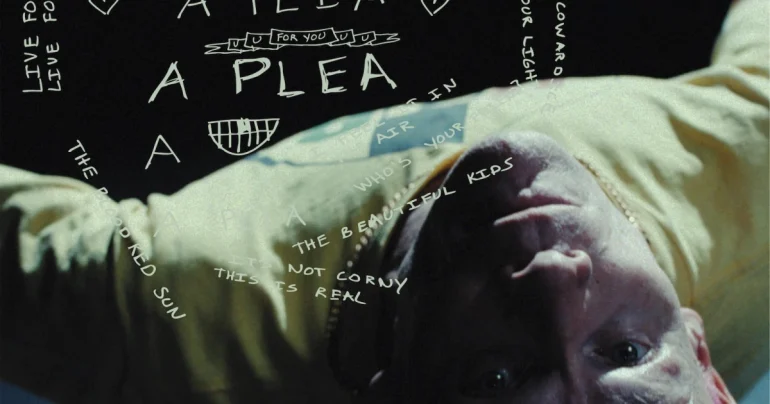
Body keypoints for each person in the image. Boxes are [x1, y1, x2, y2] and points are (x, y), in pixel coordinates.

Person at [0, 0, 767, 402]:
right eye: (627, 352)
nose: (557, 283)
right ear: (703, 359)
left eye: (496, 378)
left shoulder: (149, 317)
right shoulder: (748, 168)